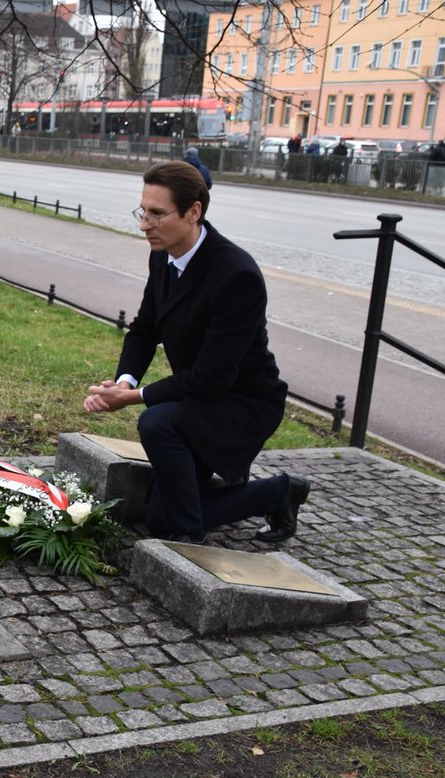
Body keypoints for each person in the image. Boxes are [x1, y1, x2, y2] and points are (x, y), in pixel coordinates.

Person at [83, 161, 310, 546]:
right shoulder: (163, 254)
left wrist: (134, 399)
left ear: (193, 212)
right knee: (158, 518)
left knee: (157, 423)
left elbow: (213, 376)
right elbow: (144, 328)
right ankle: (278, 493)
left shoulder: (236, 274)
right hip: (198, 401)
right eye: (143, 212)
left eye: (157, 214)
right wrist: (124, 380)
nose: (144, 225)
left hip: (239, 405)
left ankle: (187, 539)